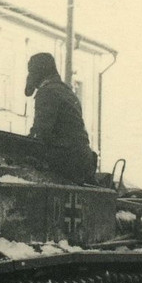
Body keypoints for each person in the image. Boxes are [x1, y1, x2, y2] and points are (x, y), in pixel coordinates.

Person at [24, 52, 96, 184]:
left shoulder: (47, 92)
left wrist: (23, 149)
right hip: (82, 159)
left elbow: (41, 132)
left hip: (65, 159)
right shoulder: (66, 91)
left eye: (31, 72)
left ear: (38, 72)